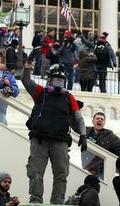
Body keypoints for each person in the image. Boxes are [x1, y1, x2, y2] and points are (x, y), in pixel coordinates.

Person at [22, 62, 87, 204]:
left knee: (61, 174)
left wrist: (83, 135)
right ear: (49, 80)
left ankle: (57, 202)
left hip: (60, 141)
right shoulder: (40, 92)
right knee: (36, 172)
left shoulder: (69, 98)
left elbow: (78, 118)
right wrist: (27, 66)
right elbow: (26, 81)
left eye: (61, 79)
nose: (59, 81)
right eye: (56, 78)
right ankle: (35, 200)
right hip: (40, 139)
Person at [82, 112, 120, 179]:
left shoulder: (111, 137)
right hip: (86, 167)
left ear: (104, 123)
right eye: (97, 118)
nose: (99, 120)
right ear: (93, 121)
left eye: (102, 119)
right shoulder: (85, 131)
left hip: (101, 170)